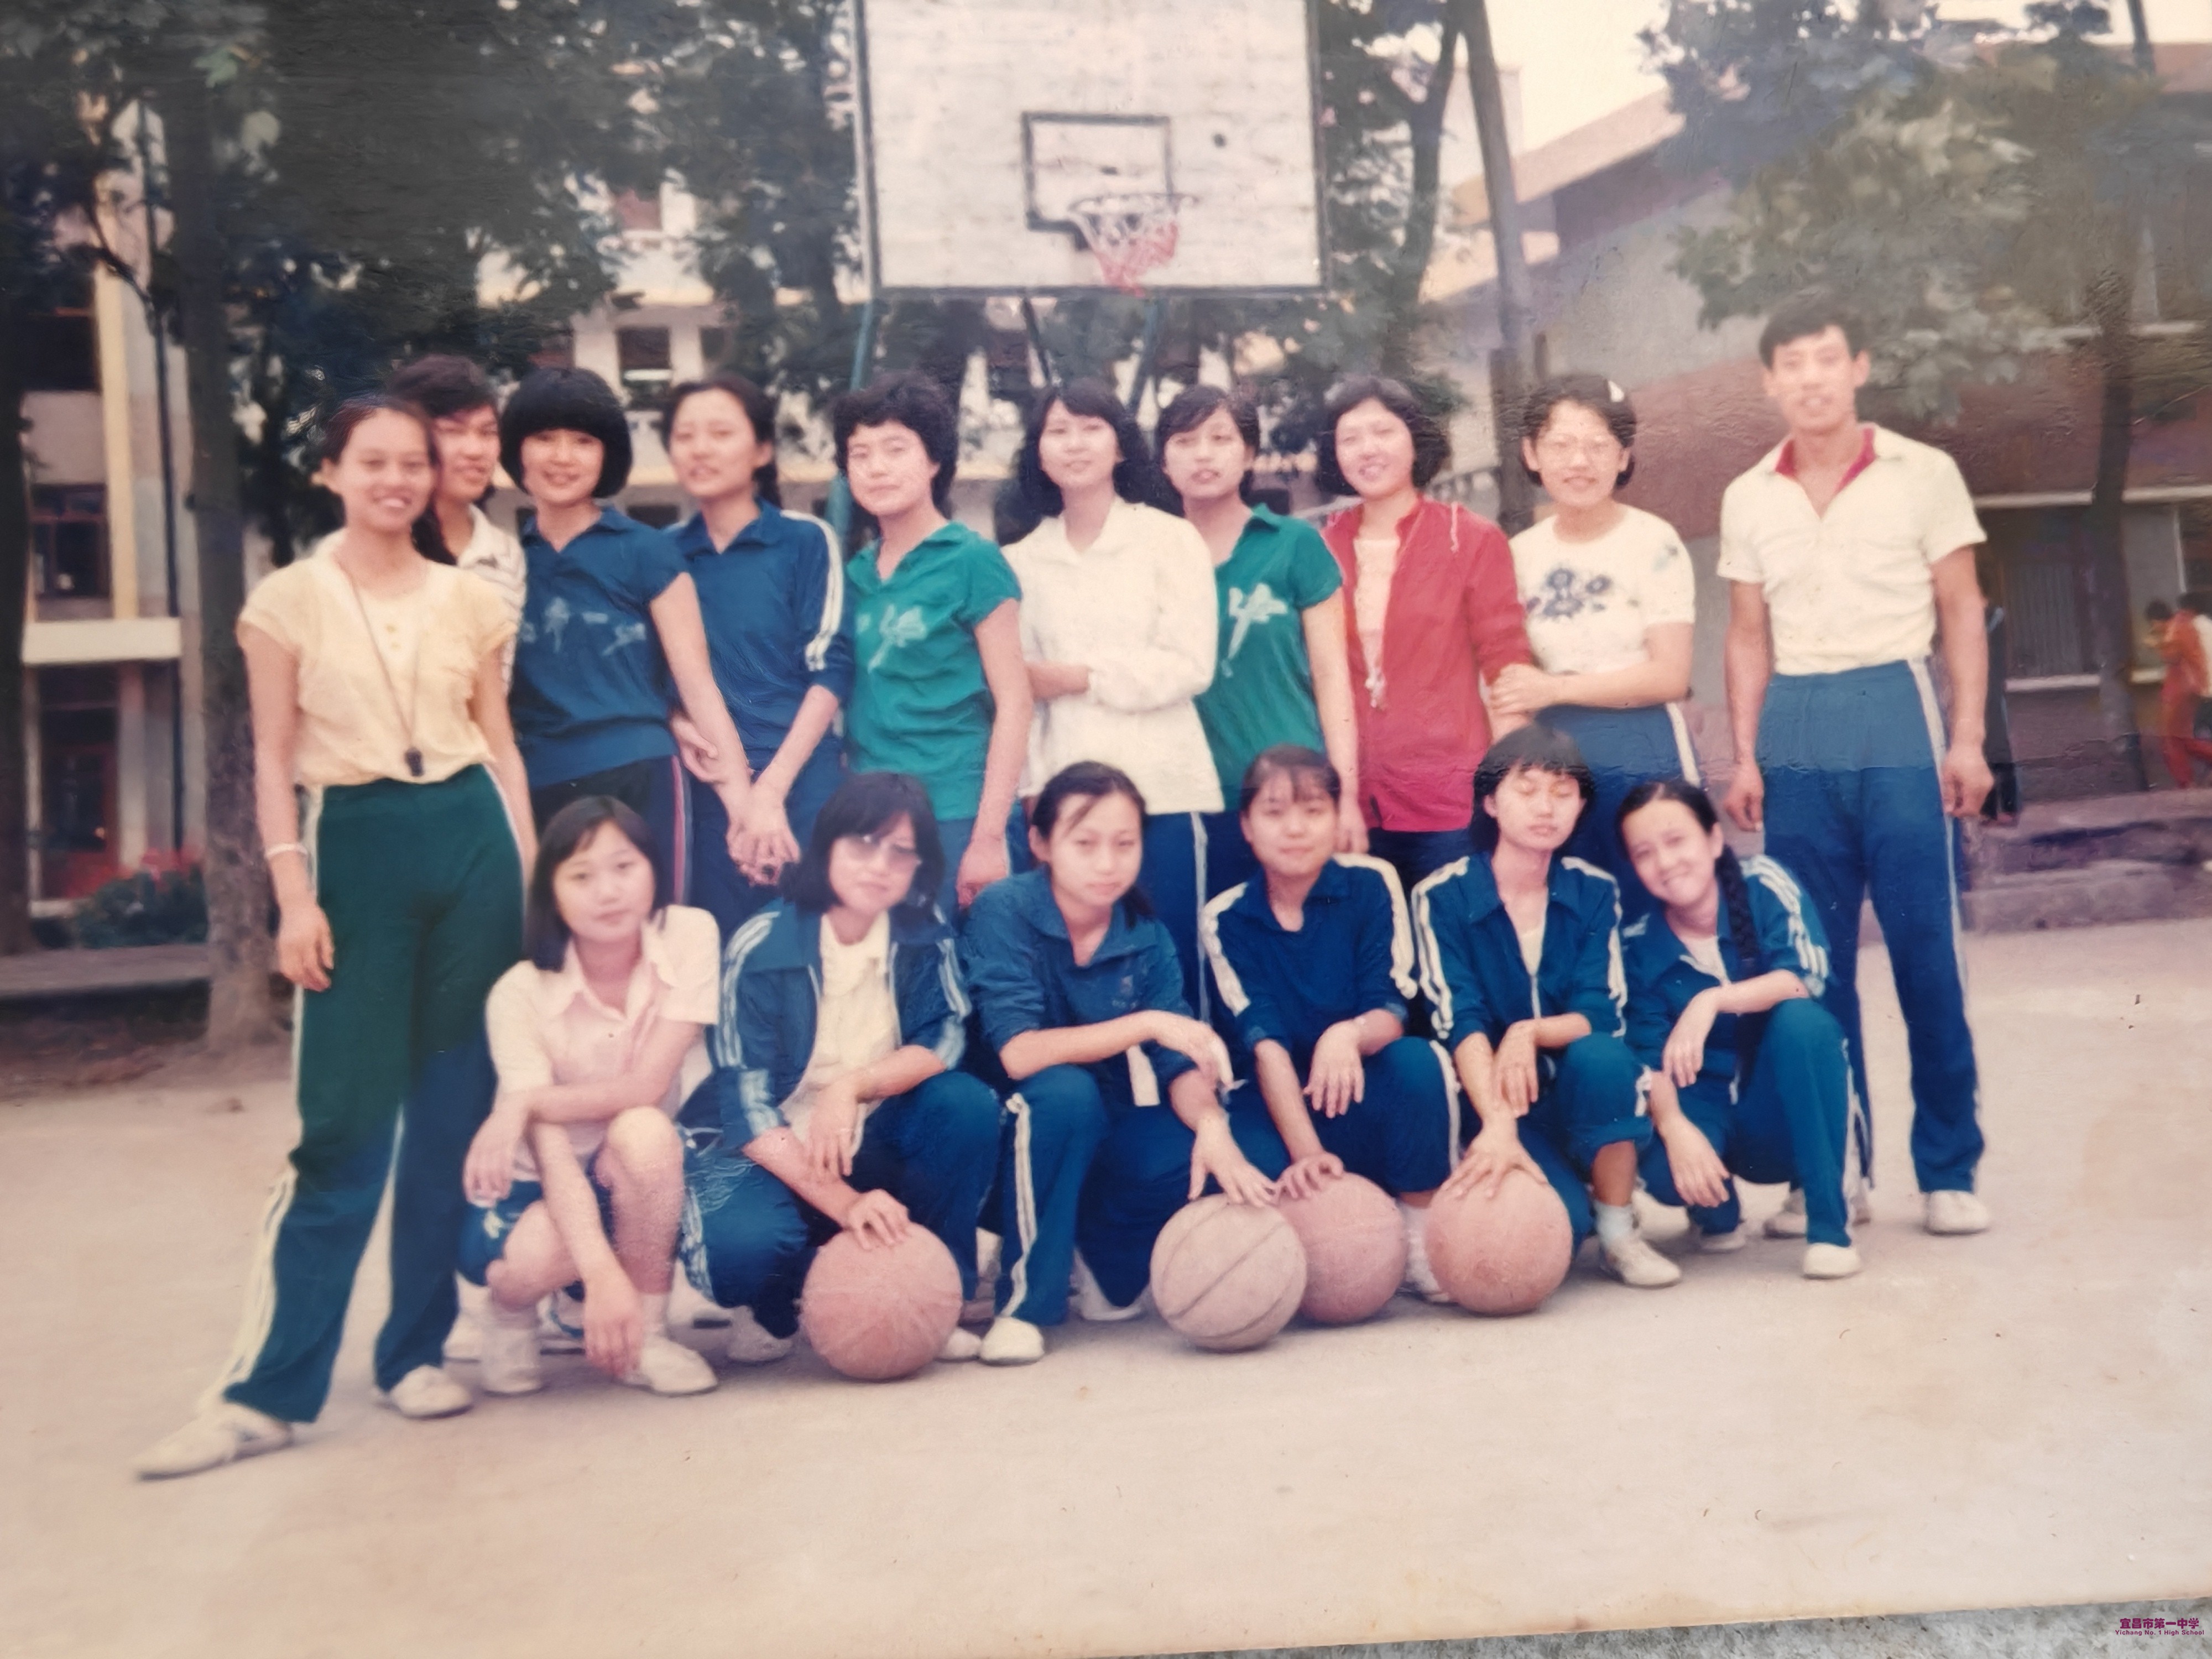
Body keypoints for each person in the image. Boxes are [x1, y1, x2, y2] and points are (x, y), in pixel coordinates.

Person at [136, 397, 534, 1478]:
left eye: (414, 462)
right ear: (331, 472)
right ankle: (264, 1393)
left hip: (471, 845)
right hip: (354, 846)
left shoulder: (470, 599)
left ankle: (414, 1355)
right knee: (343, 1127)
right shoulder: (287, 600)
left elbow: (500, 745)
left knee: (450, 1115)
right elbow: (273, 756)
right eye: (374, 462)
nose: (397, 480)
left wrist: (526, 877)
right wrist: (293, 895)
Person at [1717, 289, 1993, 1238]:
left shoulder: (1924, 472)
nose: (1811, 379)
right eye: (1791, 364)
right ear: (1769, 382)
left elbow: (1960, 608)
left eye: (1827, 358)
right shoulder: (1749, 492)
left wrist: (1966, 738)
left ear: (1859, 367)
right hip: (1796, 718)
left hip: (1895, 706)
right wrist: (1745, 754)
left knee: (1926, 955)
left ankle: (1949, 1169)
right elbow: (1746, 633)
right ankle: (1836, 1172)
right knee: (1812, 961)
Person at [961, 762, 1286, 1365]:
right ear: (1041, 844)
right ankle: (1023, 1307)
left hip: (1093, 1124)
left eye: (1124, 844)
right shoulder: (1004, 908)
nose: (1107, 863)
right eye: (1085, 844)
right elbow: (1019, 1052)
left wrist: (1212, 1126)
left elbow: (1177, 1059)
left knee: (1248, 1155)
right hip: (996, 1130)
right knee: (1064, 1093)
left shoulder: (1144, 933)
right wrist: (1145, 1023)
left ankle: (1102, 1257)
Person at [677, 772, 1003, 1365]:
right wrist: (846, 1204)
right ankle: (775, 1299)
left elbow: (945, 1038)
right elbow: (748, 1107)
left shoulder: (922, 934)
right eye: (862, 844)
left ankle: (936, 1292)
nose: (879, 866)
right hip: (769, 1148)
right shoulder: (764, 943)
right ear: (826, 844)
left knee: (963, 1105)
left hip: (864, 1132)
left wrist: (851, 1088)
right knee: (742, 1248)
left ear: (919, 867)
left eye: (900, 852)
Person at [458, 797, 721, 1397]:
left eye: (624, 867)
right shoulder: (519, 993)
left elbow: (647, 1088)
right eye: (581, 876)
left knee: (645, 1130)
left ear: (653, 868)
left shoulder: (689, 934)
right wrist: (601, 1275)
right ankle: (511, 1313)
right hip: (538, 1190)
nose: (608, 892)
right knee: (539, 1254)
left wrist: (521, 1104)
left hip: (628, 1172)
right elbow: (553, 1163)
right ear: (551, 893)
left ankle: (647, 1335)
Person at [1411, 725, 1677, 1288]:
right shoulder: (1442, 895)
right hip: (1496, 1100)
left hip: (1576, 1090)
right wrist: (1498, 1124)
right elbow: (1459, 1018)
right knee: (1561, 1226)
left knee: (1605, 1055)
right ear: (1490, 801)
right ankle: (1578, 1199)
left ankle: (1619, 1235)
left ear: (1581, 806)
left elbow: (1600, 1012)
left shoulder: (1594, 890)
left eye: (1562, 793)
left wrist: (1527, 1032)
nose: (1545, 807)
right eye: (1527, 789)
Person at [1199, 745, 1457, 1298]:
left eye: (1313, 810)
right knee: (1256, 1176)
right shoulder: (1225, 916)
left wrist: (1347, 1034)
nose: (1295, 828)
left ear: (1337, 817)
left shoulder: (1372, 882)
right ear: (1246, 826)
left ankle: (1419, 1235)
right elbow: (1265, 1043)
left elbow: (1390, 1008)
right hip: (1278, 1097)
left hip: (1357, 1077)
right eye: (1274, 813)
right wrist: (1308, 1154)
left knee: (1417, 1062)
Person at [1001, 379, 1222, 1010]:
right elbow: (1021, 694)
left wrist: (1078, 677)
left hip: (1164, 790)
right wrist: (1032, 791)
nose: (1075, 444)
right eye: (1058, 431)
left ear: (1121, 445)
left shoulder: (1170, 538)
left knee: (1174, 967)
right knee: (1080, 979)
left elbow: (1187, 665)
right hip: (1066, 805)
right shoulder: (1019, 560)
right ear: (1038, 451)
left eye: (1091, 428)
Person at [500, 364, 756, 891]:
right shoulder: (503, 564)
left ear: (608, 455)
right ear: (518, 450)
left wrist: (742, 804)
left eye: (583, 441)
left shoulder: (647, 551)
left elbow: (697, 684)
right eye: (545, 438)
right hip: (538, 783)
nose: (562, 457)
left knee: (657, 928)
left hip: (640, 774)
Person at [1616, 780, 1864, 1279]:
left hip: (1775, 1111)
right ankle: (1715, 1210)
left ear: (1713, 839)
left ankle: (1828, 1224)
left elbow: (1808, 976)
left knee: (1803, 1022)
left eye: (1676, 841)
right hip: (1705, 1110)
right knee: (1666, 1168)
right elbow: (1645, 1056)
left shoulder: (1763, 883)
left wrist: (1711, 1000)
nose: (1665, 862)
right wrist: (1675, 1128)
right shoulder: (1639, 944)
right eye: (1645, 853)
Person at [1316, 375, 1534, 896]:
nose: (1368, 449)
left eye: (1383, 432)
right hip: (1354, 803)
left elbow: (1505, 668)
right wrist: (1339, 795)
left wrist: (1511, 790)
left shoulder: (1469, 537)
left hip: (1451, 799)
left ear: (1416, 440)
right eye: (1350, 438)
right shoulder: (1321, 548)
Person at [1500, 374, 1698, 917]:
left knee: (1662, 913)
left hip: (1643, 744)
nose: (1578, 462)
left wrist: (1554, 688)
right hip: (1554, 758)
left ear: (1623, 455)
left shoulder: (1652, 540)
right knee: (1575, 916)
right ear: (1531, 453)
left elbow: (1670, 675)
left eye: (1597, 445)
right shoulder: (1519, 553)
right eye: (1560, 444)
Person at [662, 372, 854, 933]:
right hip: (707, 797)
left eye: (721, 433)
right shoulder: (661, 554)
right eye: (685, 435)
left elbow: (832, 668)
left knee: (813, 945)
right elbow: (652, 678)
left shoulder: (805, 540)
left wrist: (768, 795)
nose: (700, 449)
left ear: (762, 449)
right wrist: (678, 724)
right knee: (721, 957)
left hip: (801, 785)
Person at [836, 372, 1032, 918]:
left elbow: (1015, 702)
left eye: (895, 449)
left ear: (934, 461)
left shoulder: (972, 560)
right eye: (860, 454)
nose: (876, 467)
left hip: (955, 811)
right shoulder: (854, 574)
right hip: (870, 814)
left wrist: (987, 839)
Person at [1155, 384, 1363, 898]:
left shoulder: (1293, 544)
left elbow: (1332, 677)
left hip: (1290, 798)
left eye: (1220, 438)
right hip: (1186, 800)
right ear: (1163, 461)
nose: (1203, 455)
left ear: (1249, 454)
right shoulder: (1149, 557)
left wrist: (1345, 795)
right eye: (1184, 441)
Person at [386, 354, 528, 676]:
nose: (475, 450)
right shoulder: (372, 547)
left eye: (487, 432)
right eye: (453, 431)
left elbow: (498, 682)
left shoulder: (505, 556)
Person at [2145, 598, 2212, 789]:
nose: (2154, 628)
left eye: (2153, 625)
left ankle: (2185, 783)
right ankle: (2185, 782)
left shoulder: (2176, 628)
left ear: (2157, 620)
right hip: (2188, 689)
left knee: (2171, 739)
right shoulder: (2182, 624)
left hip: (2181, 691)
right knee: (2181, 739)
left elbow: (2173, 655)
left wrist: (2156, 645)